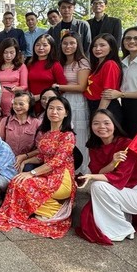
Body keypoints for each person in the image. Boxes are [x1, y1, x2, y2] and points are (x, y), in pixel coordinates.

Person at [0, 96, 76, 239]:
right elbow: (42, 157)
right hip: (47, 173)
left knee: (26, 181)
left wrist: (32, 173)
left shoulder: (67, 136)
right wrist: (25, 160)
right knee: (16, 181)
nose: (54, 112)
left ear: (66, 113)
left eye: (59, 109)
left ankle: (51, 209)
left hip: (61, 178)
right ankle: (32, 211)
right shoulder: (46, 134)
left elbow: (57, 162)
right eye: (51, 108)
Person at [76, 110, 137, 245]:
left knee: (98, 186)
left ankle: (123, 229)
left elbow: (119, 177)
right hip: (118, 192)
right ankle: (122, 222)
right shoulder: (94, 147)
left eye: (106, 123)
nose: (101, 127)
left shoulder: (127, 144)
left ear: (114, 125)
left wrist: (91, 176)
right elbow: (99, 171)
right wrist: (112, 163)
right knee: (97, 190)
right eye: (96, 123)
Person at [102, 27, 137, 150]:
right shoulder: (123, 63)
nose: (132, 41)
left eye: (136, 38)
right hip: (125, 107)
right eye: (128, 38)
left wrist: (121, 95)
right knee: (127, 145)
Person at [54, 32, 91, 171]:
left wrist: (58, 87)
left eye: (71, 43)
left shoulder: (82, 62)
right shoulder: (60, 62)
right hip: (63, 101)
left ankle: (80, 170)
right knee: (63, 134)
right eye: (65, 43)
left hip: (76, 101)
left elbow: (82, 86)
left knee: (78, 134)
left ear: (78, 45)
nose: (68, 46)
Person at [84, 33, 123, 123]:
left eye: (102, 45)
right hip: (94, 105)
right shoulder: (97, 65)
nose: (97, 49)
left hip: (105, 108)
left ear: (111, 47)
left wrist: (99, 114)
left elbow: (107, 93)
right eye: (95, 46)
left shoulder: (110, 64)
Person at [27, 34, 67, 107]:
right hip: (32, 103)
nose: (41, 48)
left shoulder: (55, 65)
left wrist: (41, 96)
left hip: (49, 104)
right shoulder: (30, 64)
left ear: (51, 47)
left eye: (45, 45)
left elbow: (62, 87)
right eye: (38, 45)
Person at [3, 92, 42, 165]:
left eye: (21, 104)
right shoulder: (5, 121)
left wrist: (24, 156)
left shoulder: (37, 124)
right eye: (15, 103)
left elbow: (39, 149)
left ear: (30, 105)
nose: (17, 107)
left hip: (27, 160)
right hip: (7, 159)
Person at [0, 38, 28, 117]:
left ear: (16, 53)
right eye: (5, 52)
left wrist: (17, 88)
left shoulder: (21, 66)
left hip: (14, 101)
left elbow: (25, 86)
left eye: (11, 52)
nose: (8, 56)